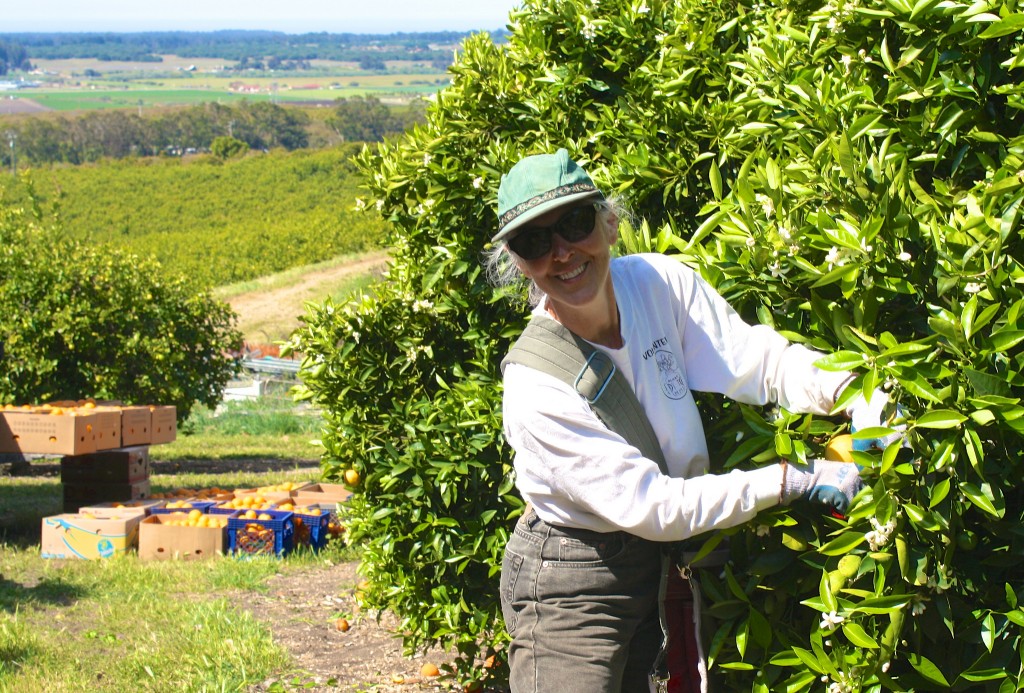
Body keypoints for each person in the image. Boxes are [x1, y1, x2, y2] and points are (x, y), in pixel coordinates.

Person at [485, 149, 890, 693]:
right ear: (519, 263)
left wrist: (856, 390)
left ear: (608, 222)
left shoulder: (657, 283)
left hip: (664, 553)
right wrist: (795, 478)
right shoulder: (536, 384)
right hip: (573, 576)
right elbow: (656, 506)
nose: (562, 253)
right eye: (536, 242)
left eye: (575, 224)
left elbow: (757, 362)